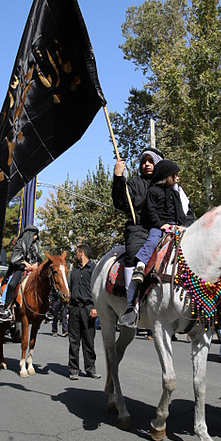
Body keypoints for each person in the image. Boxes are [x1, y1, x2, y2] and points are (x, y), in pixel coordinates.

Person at [112, 147, 164, 328]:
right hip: (140, 229)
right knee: (134, 250)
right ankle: (130, 306)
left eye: (151, 161)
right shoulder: (133, 184)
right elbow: (120, 202)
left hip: (165, 228)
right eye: (144, 161)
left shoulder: (168, 184)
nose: (147, 164)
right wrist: (118, 177)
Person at [132, 159, 194, 284]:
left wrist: (184, 226)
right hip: (158, 227)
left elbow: (180, 213)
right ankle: (140, 266)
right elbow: (151, 211)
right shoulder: (152, 191)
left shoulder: (175, 193)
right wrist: (161, 225)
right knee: (153, 240)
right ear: (166, 176)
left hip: (175, 226)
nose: (177, 178)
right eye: (174, 175)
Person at [0, 225, 42, 322]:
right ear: (29, 234)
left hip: (34, 271)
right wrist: (25, 265)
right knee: (12, 284)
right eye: (34, 235)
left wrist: (36, 264)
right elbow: (14, 260)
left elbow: (40, 259)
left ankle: (45, 307)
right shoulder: (19, 244)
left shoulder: (36, 246)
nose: (36, 237)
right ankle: (5, 307)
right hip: (20, 269)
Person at [67, 244, 100, 380]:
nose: (75, 255)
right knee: (73, 341)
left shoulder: (94, 269)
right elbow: (69, 288)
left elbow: (97, 290)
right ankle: (73, 369)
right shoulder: (74, 271)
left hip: (88, 309)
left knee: (89, 341)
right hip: (74, 308)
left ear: (81, 253)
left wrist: (95, 307)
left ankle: (90, 368)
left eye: (76, 253)